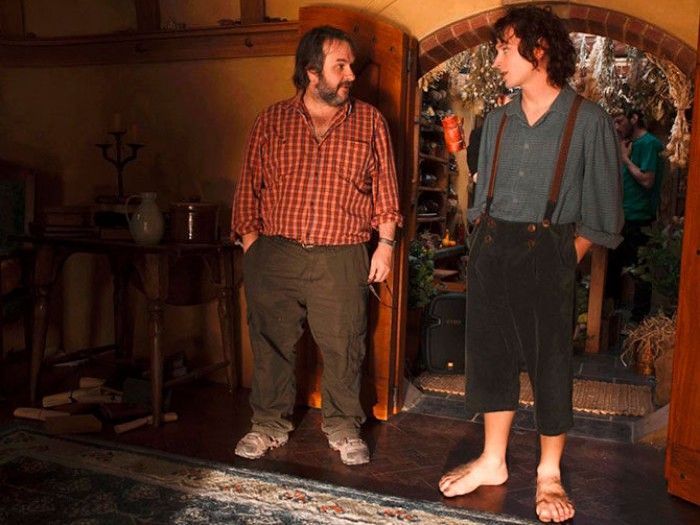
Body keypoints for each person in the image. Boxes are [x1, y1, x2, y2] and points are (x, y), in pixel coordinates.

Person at [438, 6, 623, 523]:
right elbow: (480, 198)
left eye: (504, 48)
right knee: (491, 355)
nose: (497, 60)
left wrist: (564, 257)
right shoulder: (497, 120)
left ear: (538, 50)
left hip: (549, 250)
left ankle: (548, 473)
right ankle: (493, 460)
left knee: (550, 363)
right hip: (492, 247)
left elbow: (604, 214)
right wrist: (481, 237)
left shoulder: (588, 121)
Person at [231, 25, 402, 466]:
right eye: (339, 66)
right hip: (275, 252)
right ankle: (267, 425)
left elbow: (386, 189)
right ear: (311, 72)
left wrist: (384, 245)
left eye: (351, 66)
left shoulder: (370, 122)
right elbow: (248, 187)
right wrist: (253, 248)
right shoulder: (271, 120)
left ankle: (344, 428)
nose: (351, 75)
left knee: (345, 345)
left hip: (342, 255)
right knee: (270, 344)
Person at [609, 109, 664, 321]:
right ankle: (609, 315)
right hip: (621, 216)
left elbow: (647, 180)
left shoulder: (649, 144)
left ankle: (638, 321)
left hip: (639, 217)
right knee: (613, 267)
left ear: (634, 118)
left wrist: (625, 159)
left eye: (620, 121)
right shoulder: (627, 144)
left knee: (640, 269)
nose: (617, 127)